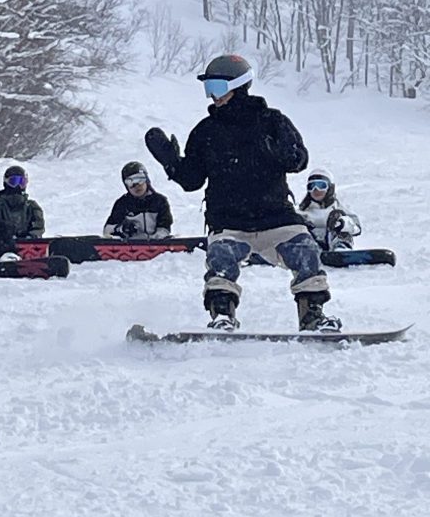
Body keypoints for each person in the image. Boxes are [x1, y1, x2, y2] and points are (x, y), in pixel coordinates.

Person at [145, 54, 342, 333]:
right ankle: (222, 315)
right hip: (229, 221)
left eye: (217, 88)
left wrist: (283, 151)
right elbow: (192, 181)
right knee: (221, 257)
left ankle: (312, 315)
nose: (212, 96)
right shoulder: (206, 131)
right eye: (208, 89)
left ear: (238, 86)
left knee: (305, 251)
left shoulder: (272, 120)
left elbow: (299, 161)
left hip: (276, 217)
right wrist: (171, 161)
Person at [103, 161, 173, 240]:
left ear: (146, 180)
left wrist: (157, 238)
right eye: (130, 182)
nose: (136, 186)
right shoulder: (122, 204)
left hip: (155, 245)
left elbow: (165, 227)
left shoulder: (159, 201)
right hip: (130, 248)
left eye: (140, 179)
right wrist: (121, 228)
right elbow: (107, 230)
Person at [299, 166, 361, 251]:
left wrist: (343, 223)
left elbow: (357, 228)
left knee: (337, 216)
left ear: (330, 188)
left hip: (333, 245)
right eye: (311, 186)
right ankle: (308, 251)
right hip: (312, 247)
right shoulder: (303, 212)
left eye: (321, 185)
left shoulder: (338, 208)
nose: (316, 190)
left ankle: (341, 246)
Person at [0, 165, 45, 239]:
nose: (18, 186)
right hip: (1, 245)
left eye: (22, 182)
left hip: (28, 247)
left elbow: (38, 227)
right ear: (6, 182)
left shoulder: (31, 207)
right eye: (14, 181)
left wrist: (31, 237)